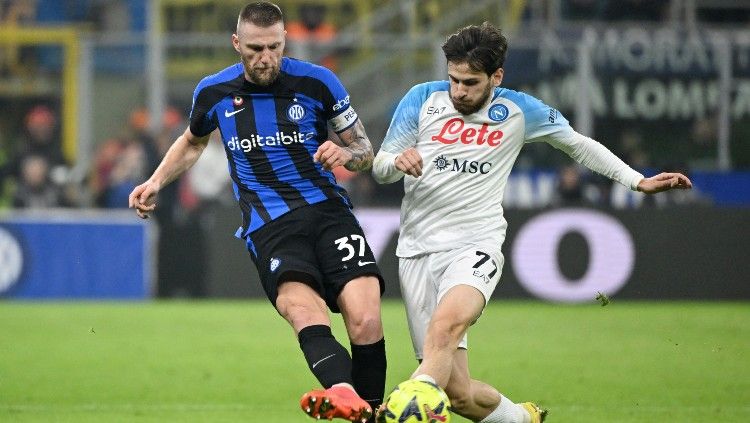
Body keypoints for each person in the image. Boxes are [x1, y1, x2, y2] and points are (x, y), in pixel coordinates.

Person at [372, 22, 691, 423]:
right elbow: (381, 167)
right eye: (452, 79)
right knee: (459, 396)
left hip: (475, 245)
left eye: (470, 82)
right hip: (416, 250)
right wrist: (396, 161)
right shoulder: (421, 98)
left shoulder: (521, 111)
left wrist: (637, 181)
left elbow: (578, 144)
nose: (459, 91)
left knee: (445, 329)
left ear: (496, 77)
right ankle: (523, 418)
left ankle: (402, 408)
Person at [128, 3, 385, 422]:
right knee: (303, 310)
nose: (265, 58)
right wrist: (156, 181)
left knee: (366, 318)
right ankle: (346, 395)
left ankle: (366, 410)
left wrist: (346, 152)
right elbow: (193, 142)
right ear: (236, 44)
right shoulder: (213, 92)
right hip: (270, 225)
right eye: (254, 49)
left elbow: (364, 151)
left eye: (274, 47)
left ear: (284, 41)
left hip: (328, 212)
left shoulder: (319, 82)